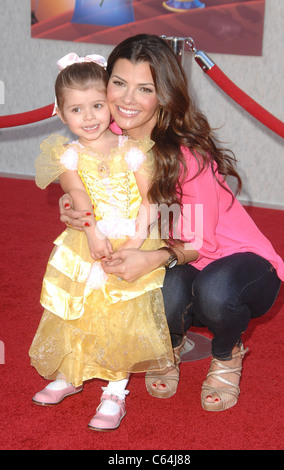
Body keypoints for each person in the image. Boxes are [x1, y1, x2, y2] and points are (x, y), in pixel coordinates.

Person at [59, 34, 284, 413]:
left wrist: (149, 259)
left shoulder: (185, 154)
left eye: (144, 88)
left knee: (214, 290)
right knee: (159, 293)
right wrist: (76, 211)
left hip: (233, 261)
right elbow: (89, 194)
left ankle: (227, 353)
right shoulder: (104, 140)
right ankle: (171, 342)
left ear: (163, 94)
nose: (126, 99)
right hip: (174, 256)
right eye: (119, 83)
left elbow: (200, 242)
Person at [29, 52, 174, 431]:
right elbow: (77, 197)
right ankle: (70, 373)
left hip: (132, 239)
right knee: (77, 309)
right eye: (77, 110)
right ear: (60, 114)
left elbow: (150, 200)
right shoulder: (68, 155)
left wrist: (136, 244)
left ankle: (115, 390)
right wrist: (92, 234)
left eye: (97, 105)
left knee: (122, 317)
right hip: (86, 243)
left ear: (109, 105)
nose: (89, 117)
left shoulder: (133, 151)